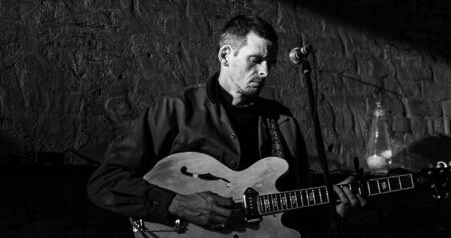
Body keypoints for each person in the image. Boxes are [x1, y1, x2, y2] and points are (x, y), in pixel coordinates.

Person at [87, 14, 365, 234]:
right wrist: (177, 203)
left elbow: (294, 210)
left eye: (270, 63)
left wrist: (330, 211)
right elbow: (105, 182)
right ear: (225, 56)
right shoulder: (177, 110)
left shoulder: (282, 122)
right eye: (256, 60)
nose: (265, 72)